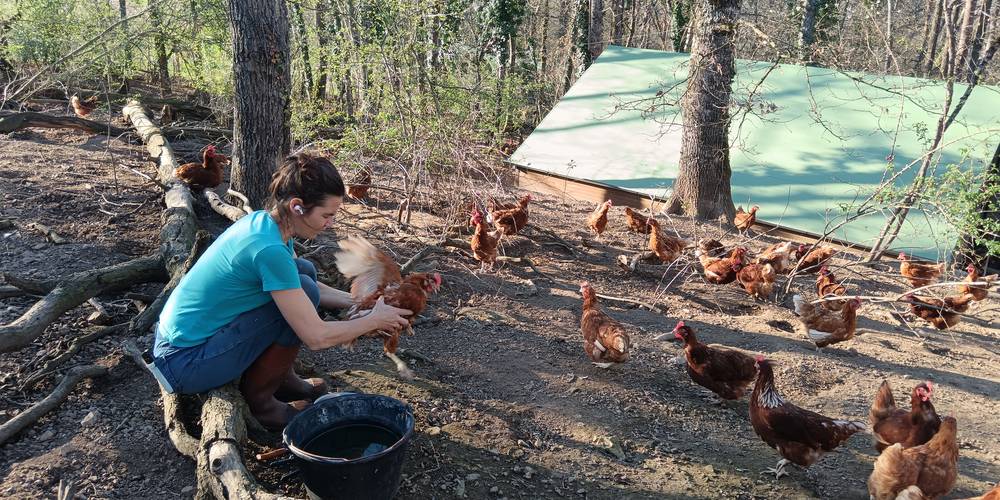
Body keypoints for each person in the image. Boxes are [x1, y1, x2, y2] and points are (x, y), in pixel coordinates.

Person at [151, 153, 411, 428]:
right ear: (297, 206)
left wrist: (361, 302)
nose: (330, 224)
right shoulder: (269, 249)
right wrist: (374, 320)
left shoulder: (266, 224)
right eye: (326, 215)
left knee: (305, 274)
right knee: (303, 295)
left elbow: (297, 283)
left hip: (179, 345)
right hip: (184, 363)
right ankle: (263, 404)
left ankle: (282, 379)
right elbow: (316, 337)